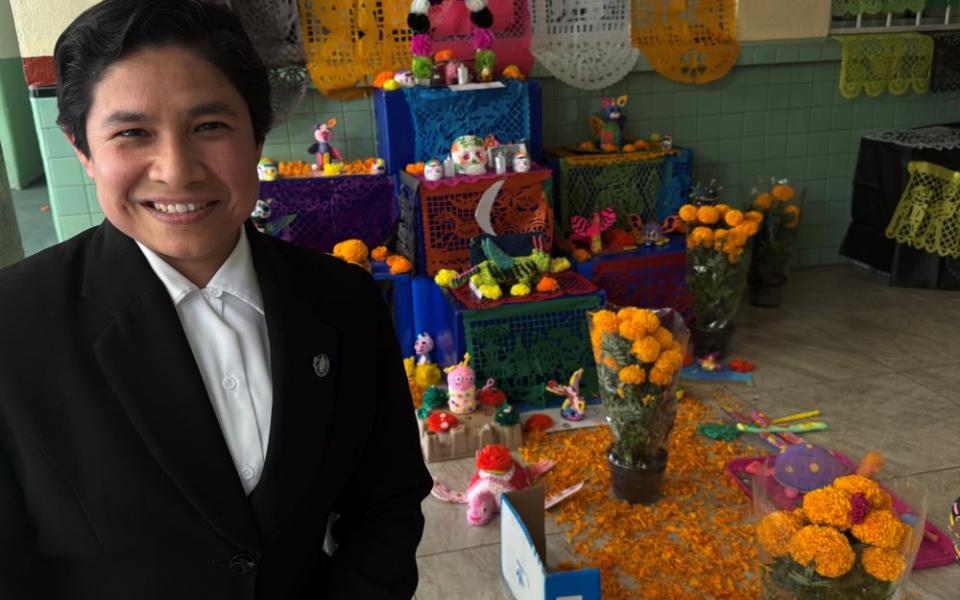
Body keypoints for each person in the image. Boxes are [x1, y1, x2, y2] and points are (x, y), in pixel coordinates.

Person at [0, 1, 432, 598]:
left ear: (257, 134)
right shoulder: (15, 326)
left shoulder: (343, 300)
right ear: (82, 148)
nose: (176, 171)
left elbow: (386, 503)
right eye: (131, 133)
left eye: (209, 126)